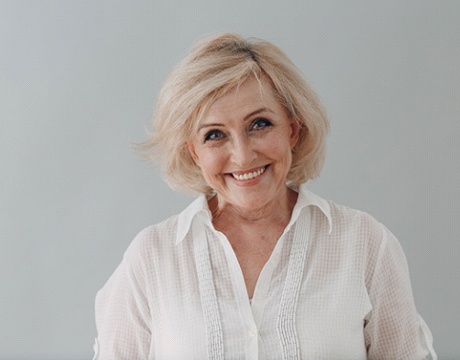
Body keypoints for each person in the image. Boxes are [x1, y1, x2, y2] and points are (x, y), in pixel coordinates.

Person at [93, 33, 436, 359]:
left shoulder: (366, 244)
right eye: (215, 134)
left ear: (293, 129)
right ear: (194, 152)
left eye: (259, 124)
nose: (242, 156)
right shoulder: (152, 257)